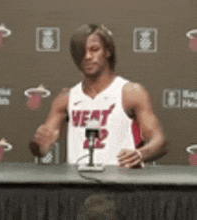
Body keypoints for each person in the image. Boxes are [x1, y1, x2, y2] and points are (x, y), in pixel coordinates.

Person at [32, 24, 168, 168]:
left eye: (94, 49)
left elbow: (159, 140)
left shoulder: (130, 92)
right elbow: (39, 150)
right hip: (78, 184)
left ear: (107, 51)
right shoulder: (66, 98)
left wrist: (141, 154)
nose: (87, 57)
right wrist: (40, 145)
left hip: (121, 183)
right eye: (81, 52)